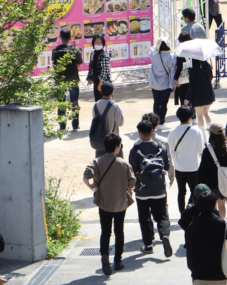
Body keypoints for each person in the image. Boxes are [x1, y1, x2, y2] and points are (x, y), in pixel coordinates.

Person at [83, 133, 135, 275]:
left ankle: (105, 256)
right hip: (120, 203)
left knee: (105, 232)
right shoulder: (124, 163)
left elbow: (86, 176)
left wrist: (92, 187)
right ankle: (118, 261)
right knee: (119, 231)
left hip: (104, 202)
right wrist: (129, 190)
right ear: (117, 147)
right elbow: (132, 181)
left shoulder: (97, 162)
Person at [128, 119, 173, 257]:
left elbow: (132, 170)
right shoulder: (161, 147)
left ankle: (148, 245)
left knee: (144, 217)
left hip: (142, 190)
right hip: (159, 189)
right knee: (162, 216)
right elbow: (167, 166)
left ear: (139, 133)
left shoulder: (135, 149)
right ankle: (164, 235)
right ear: (152, 131)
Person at [184, 190, 227, 284]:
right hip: (220, 275)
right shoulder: (223, 224)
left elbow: (190, 255)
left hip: (199, 275)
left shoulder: (191, 227)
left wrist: (195, 271)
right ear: (214, 204)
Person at [167, 105, 204, 214]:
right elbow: (201, 151)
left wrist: (176, 160)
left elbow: (170, 150)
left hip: (179, 168)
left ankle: (182, 213)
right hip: (193, 167)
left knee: (181, 192)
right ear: (191, 116)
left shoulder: (173, 132)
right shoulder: (197, 132)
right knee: (195, 191)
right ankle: (193, 210)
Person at [197, 123, 227, 218]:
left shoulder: (207, 150)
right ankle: (222, 223)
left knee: (213, 206)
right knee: (222, 205)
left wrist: (199, 182)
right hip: (224, 182)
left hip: (211, 183)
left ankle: (214, 224)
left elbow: (202, 169)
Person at [53, 28, 83, 131]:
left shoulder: (55, 50)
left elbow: (55, 64)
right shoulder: (75, 50)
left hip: (60, 80)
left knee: (61, 102)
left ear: (60, 37)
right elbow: (78, 64)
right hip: (73, 79)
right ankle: (75, 125)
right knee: (74, 102)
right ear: (70, 37)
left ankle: (62, 126)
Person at [148, 38, 176, 125]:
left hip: (154, 83)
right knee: (163, 104)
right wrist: (173, 85)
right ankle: (161, 122)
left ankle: (155, 122)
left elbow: (150, 48)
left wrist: (157, 46)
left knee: (156, 103)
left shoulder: (153, 54)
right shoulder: (171, 57)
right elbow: (172, 73)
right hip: (165, 84)